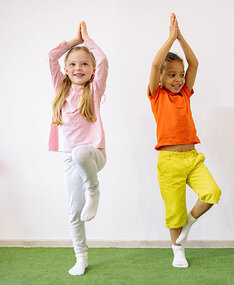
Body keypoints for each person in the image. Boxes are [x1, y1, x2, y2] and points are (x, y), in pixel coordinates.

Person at [148, 13, 221, 268]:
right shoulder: (156, 95)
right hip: (169, 161)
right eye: (172, 75)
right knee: (174, 211)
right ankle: (178, 250)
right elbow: (156, 64)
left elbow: (194, 62)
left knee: (212, 192)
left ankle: (189, 223)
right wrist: (170, 39)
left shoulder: (185, 94)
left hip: (192, 158)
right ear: (160, 79)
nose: (178, 79)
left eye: (180, 75)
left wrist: (180, 37)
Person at [48, 21, 108, 275]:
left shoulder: (93, 91)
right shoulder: (60, 88)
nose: (78, 68)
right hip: (70, 160)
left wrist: (88, 40)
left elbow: (104, 60)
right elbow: (51, 56)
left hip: (94, 155)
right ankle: (81, 257)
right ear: (65, 69)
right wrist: (73, 42)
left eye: (84, 63)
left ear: (93, 70)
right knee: (74, 212)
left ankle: (94, 189)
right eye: (73, 64)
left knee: (79, 151)